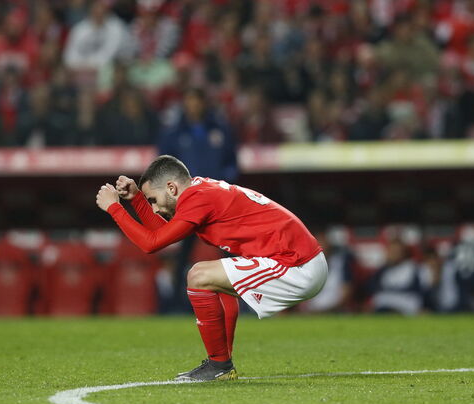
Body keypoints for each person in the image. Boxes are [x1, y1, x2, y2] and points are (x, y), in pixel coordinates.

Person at [95, 155, 326, 382]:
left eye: (153, 200)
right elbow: (161, 234)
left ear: (171, 188)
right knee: (214, 281)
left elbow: (151, 243)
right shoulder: (199, 191)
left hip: (296, 264)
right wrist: (137, 198)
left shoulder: (198, 198)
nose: (153, 209)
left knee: (199, 275)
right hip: (300, 261)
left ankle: (219, 365)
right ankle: (221, 365)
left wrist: (114, 208)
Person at [157, 88, 239, 312]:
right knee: (183, 254)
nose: (193, 106)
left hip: (217, 204)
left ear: (204, 103)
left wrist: (223, 187)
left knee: (229, 252)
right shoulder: (174, 133)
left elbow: (232, 164)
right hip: (188, 204)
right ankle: (175, 304)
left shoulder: (220, 129)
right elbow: (163, 168)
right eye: (189, 101)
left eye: (197, 101)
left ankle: (243, 302)